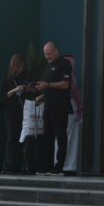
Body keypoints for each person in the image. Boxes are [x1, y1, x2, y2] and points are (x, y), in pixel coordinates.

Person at [36, 41, 72, 174]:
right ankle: (47, 165)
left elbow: (65, 84)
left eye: (50, 53)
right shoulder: (49, 66)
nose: (48, 56)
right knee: (47, 137)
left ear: (56, 51)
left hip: (60, 106)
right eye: (45, 54)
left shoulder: (64, 64)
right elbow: (48, 86)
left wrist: (48, 85)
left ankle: (59, 166)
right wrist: (41, 96)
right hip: (48, 106)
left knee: (61, 136)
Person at [2, 54, 35, 174]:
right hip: (12, 111)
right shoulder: (7, 78)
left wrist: (29, 89)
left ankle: (25, 165)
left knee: (26, 138)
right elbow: (4, 95)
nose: (20, 69)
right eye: (18, 66)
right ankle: (10, 165)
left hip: (25, 110)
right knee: (12, 138)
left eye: (22, 66)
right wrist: (16, 90)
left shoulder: (27, 76)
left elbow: (33, 91)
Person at [61, 54, 84, 176]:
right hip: (69, 108)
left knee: (70, 138)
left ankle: (68, 165)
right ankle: (67, 165)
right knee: (69, 137)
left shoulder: (69, 75)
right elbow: (75, 93)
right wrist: (80, 108)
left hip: (70, 108)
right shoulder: (68, 76)